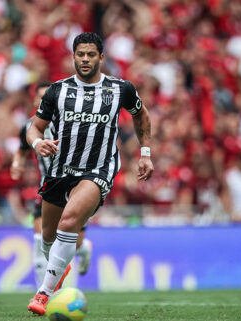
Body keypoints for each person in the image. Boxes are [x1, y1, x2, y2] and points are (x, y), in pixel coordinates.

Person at [26, 32, 153, 315]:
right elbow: (34, 127)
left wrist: (145, 153)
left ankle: (43, 294)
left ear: (101, 58)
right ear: (73, 57)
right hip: (60, 170)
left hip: (98, 169)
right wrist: (38, 142)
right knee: (47, 238)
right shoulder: (56, 91)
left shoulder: (120, 89)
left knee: (68, 222)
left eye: (91, 55)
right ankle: (61, 264)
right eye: (80, 55)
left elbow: (141, 115)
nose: (85, 60)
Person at [10, 83, 93, 290]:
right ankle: (45, 293)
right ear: (35, 101)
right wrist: (17, 163)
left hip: (74, 189)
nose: (44, 100)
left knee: (73, 244)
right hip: (46, 189)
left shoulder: (72, 123)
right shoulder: (30, 127)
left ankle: (83, 249)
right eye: (40, 97)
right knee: (40, 242)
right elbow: (21, 149)